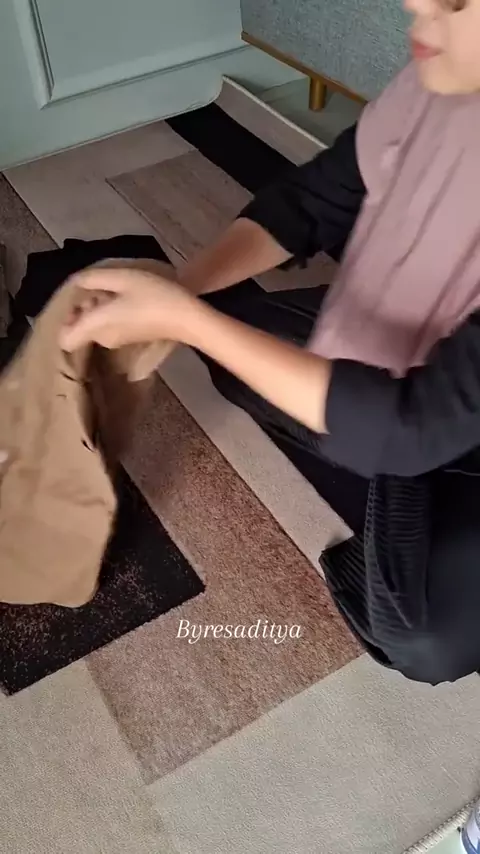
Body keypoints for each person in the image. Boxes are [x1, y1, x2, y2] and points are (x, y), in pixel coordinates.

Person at [61, 0, 480, 685]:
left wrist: (189, 321)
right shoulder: (443, 75)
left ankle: (396, 507)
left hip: (450, 420)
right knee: (239, 360)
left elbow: (417, 422)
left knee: (419, 637)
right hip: (411, 363)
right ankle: (376, 456)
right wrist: (183, 293)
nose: (417, 2)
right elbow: (311, 200)